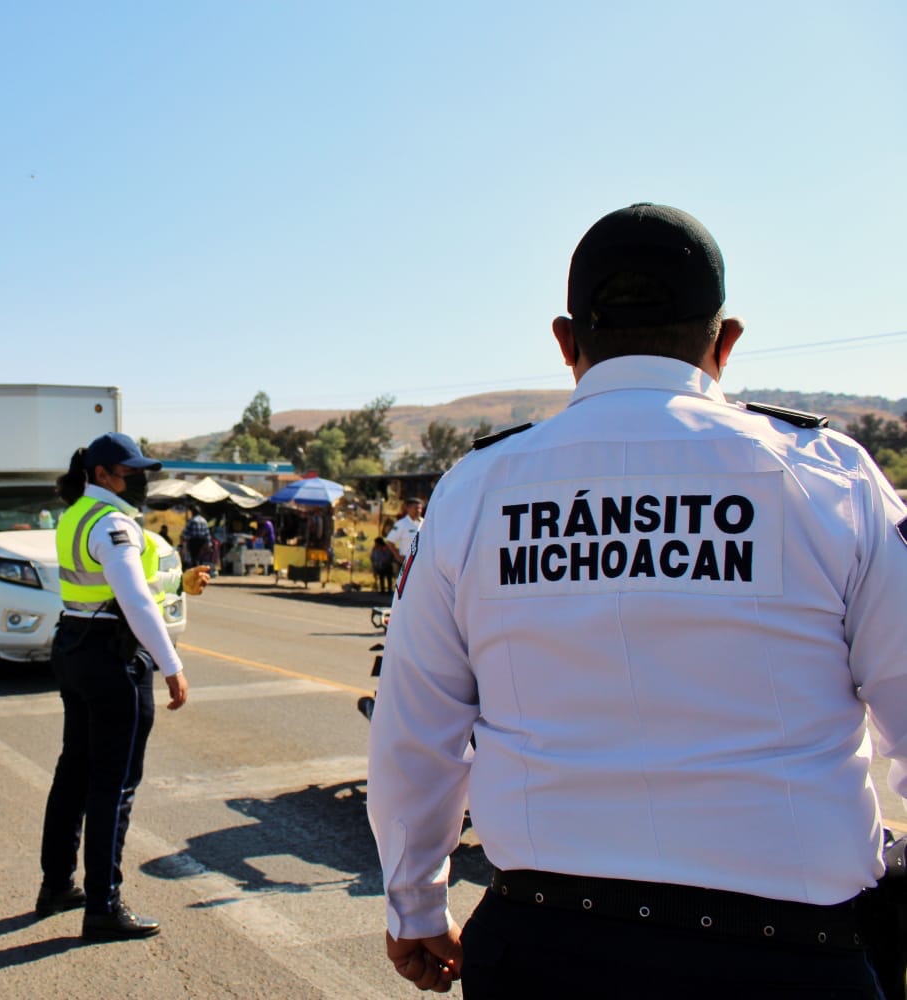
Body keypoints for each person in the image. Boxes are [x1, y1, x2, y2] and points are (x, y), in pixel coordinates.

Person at [367, 203, 907, 998]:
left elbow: (415, 724)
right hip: (790, 957)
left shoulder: (477, 488)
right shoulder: (829, 476)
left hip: (544, 948)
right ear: (725, 343)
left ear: (565, 341)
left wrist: (414, 904)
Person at [37, 431, 209, 941]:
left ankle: (57, 885)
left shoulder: (75, 515)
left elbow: (124, 586)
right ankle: (104, 905)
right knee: (115, 783)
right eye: (131, 472)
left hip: (73, 644)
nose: (140, 480)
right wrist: (172, 664)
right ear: (104, 475)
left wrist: (179, 584)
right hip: (110, 658)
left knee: (74, 771)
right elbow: (134, 601)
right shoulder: (112, 523)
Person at [382, 496, 424, 565]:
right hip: (406, 561)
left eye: (420, 508)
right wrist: (398, 557)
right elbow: (389, 542)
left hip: (421, 561)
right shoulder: (401, 524)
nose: (419, 511)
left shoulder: (424, 523)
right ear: (408, 509)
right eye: (416, 508)